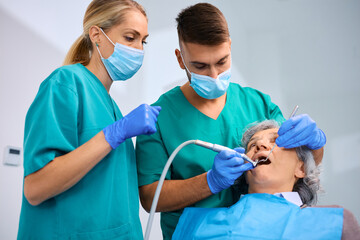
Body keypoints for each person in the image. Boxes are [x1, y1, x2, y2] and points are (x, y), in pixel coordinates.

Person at [135, 3, 326, 239]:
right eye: (201, 66)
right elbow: (150, 197)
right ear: (180, 58)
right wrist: (211, 181)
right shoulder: (159, 118)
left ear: (230, 47)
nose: (214, 76)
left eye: (222, 62)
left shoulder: (258, 104)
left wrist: (316, 142)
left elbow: (301, 162)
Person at [17, 0, 161, 239]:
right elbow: (36, 188)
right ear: (97, 34)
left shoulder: (112, 107)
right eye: (130, 37)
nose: (139, 50)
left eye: (143, 41)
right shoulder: (65, 83)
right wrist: (114, 133)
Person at [172, 120, 360, 240]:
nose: (260, 145)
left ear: (301, 168)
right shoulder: (196, 223)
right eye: (252, 145)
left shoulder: (333, 222)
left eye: (276, 141)